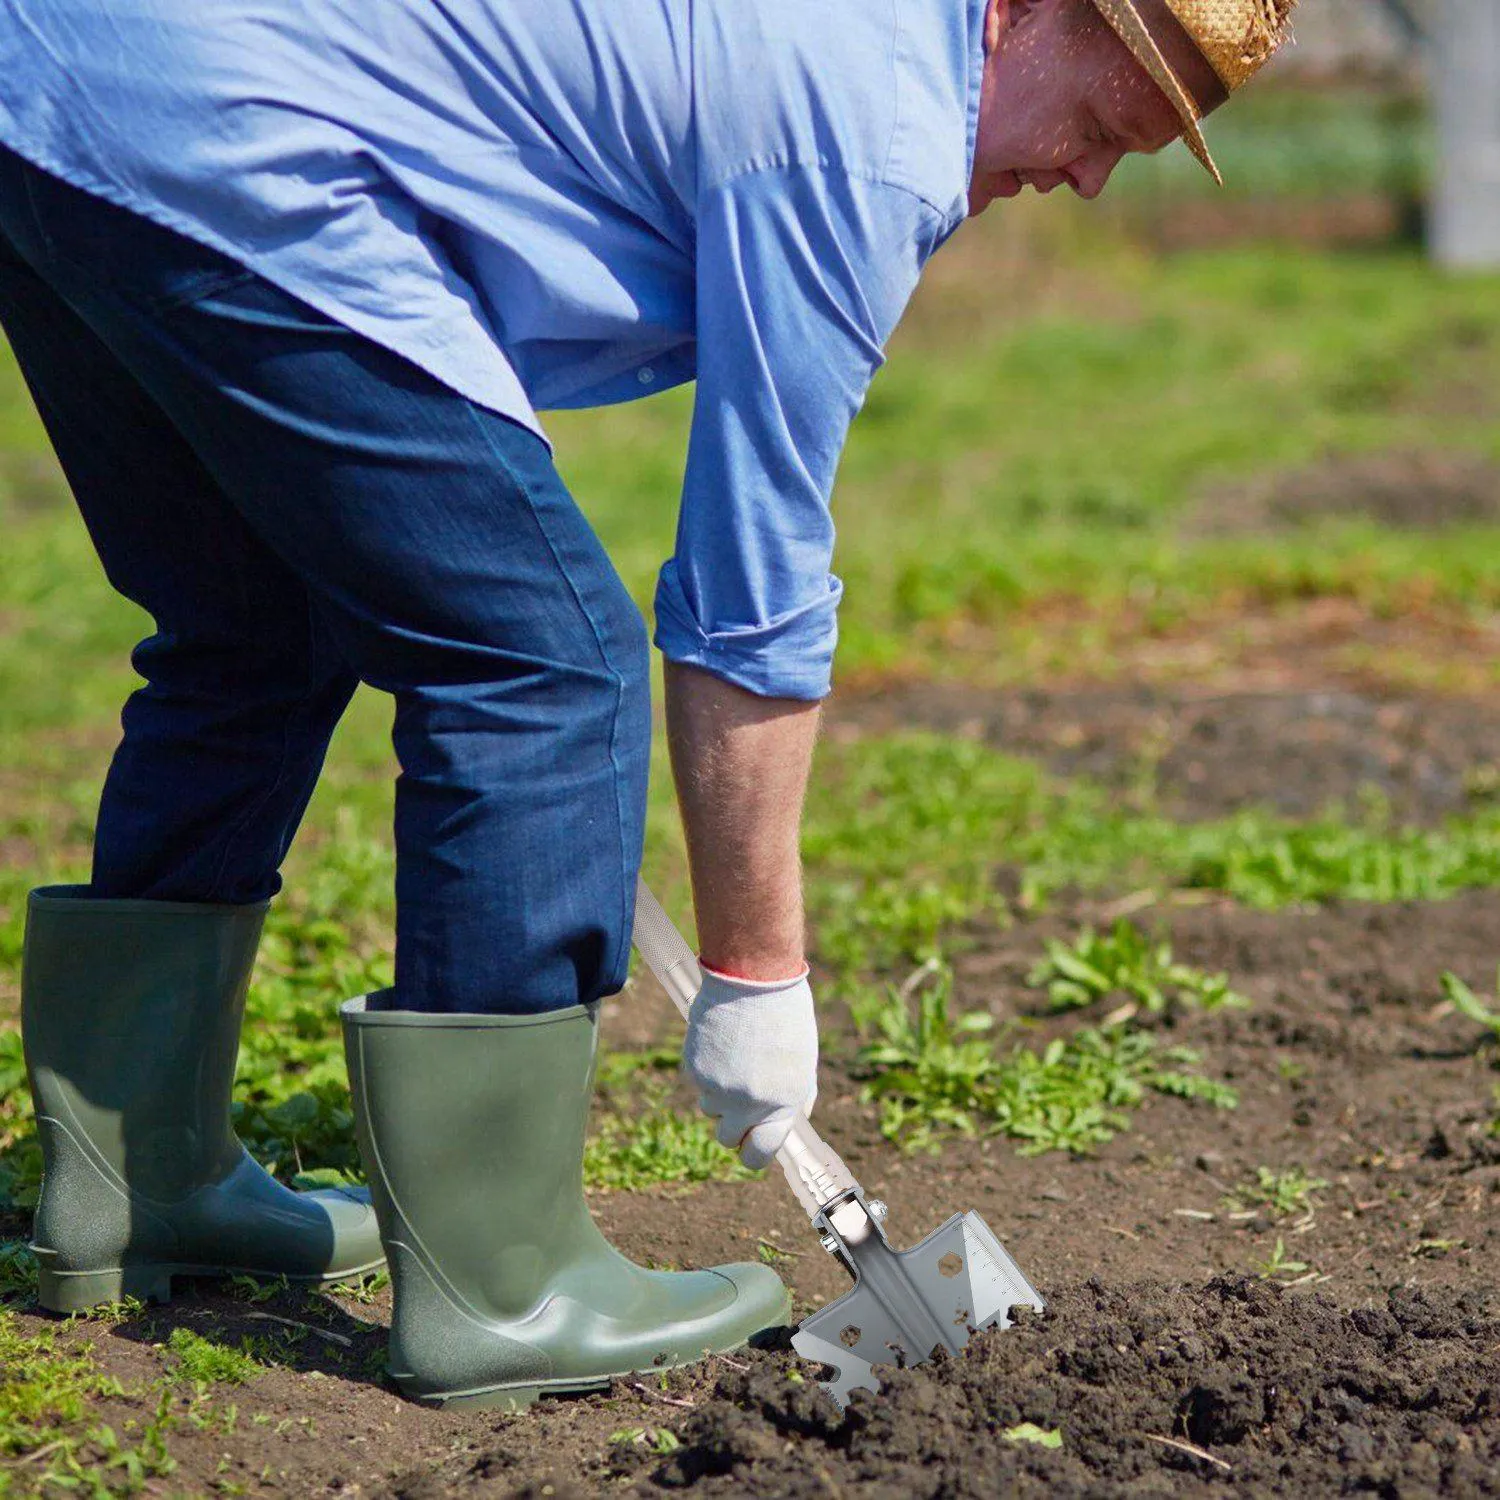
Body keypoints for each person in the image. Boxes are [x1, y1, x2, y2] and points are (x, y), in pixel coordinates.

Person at [0, 0, 1292, 1410]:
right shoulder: (873, 138)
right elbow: (752, 594)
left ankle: (136, 1181)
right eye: (1102, 125)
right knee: (541, 666)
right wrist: (757, 976)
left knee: (250, 622)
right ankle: (506, 1287)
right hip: (223, 136)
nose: (1089, 178)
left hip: (60, 87)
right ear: (1019, 13)